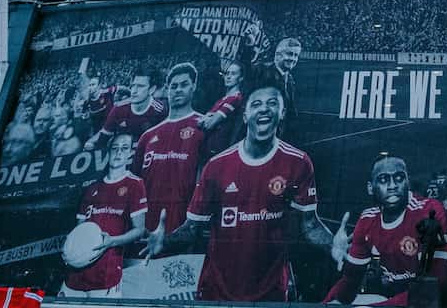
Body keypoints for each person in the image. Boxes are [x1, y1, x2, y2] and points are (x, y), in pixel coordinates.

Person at [142, 83, 333, 302]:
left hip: (270, 294)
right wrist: (163, 242)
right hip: (217, 291)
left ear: (282, 114)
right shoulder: (217, 166)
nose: (264, 109)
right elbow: (193, 228)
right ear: (245, 116)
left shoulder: (298, 163)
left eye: (272, 103)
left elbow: (310, 225)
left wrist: (334, 244)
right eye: (256, 104)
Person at [325, 154, 447, 305]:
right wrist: (326, 304)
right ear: (370, 188)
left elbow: (433, 285)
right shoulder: (367, 220)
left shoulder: (429, 212)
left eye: (399, 178)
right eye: (383, 179)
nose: (392, 186)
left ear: (407, 182)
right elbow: (351, 281)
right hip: (397, 301)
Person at [60, 133, 147, 298]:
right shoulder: (92, 188)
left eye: (124, 149)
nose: (118, 153)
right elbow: (79, 230)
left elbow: (140, 230)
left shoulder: (135, 184)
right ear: (108, 152)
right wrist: (69, 246)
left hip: (106, 277)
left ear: (130, 153)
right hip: (75, 276)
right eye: (114, 149)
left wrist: (112, 241)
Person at [135, 62, 205, 238]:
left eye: (184, 85)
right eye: (174, 86)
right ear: (167, 89)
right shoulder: (147, 136)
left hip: (182, 231)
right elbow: (135, 186)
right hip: (144, 231)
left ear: (194, 86)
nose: (178, 90)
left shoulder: (204, 127)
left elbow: (205, 182)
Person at [86, 67, 166, 150]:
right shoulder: (118, 109)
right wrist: (91, 143)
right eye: (133, 86)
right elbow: (104, 136)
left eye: (140, 86)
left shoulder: (160, 111)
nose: (134, 91)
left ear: (151, 89)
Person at [198, 60, 245, 156]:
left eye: (233, 74)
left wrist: (208, 118)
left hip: (217, 149)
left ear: (240, 78)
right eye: (227, 73)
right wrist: (208, 118)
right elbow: (201, 122)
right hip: (207, 146)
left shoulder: (234, 99)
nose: (228, 77)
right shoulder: (222, 99)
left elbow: (209, 124)